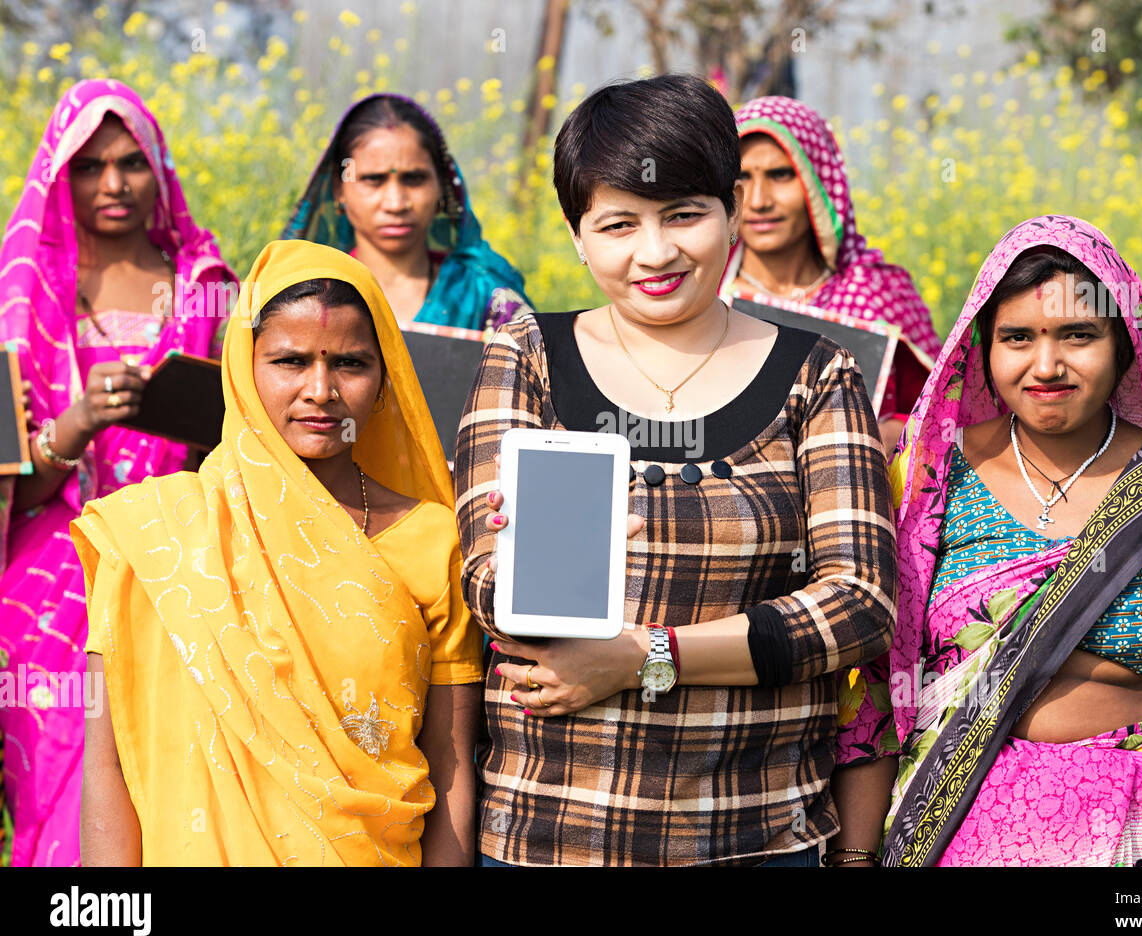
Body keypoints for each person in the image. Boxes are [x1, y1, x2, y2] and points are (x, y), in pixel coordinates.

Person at [455, 74, 897, 866]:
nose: (655, 253)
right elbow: (486, 588)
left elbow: (858, 604)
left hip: (755, 837)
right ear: (577, 235)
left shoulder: (816, 374)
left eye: (685, 216)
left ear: (731, 213)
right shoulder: (528, 359)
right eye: (618, 224)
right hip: (551, 836)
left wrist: (646, 657)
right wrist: (543, 568)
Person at [833, 214, 1142, 866]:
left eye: (1078, 335)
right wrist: (854, 856)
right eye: (1018, 337)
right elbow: (875, 690)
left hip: (1141, 829)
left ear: (1124, 345)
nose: (1047, 365)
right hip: (954, 824)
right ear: (981, 348)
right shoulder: (930, 480)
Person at [73, 240, 482, 866]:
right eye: (290, 361)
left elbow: (452, 768)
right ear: (242, 369)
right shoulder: (153, 534)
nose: (320, 390)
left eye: (349, 363)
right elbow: (109, 766)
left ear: (383, 382)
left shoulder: (433, 537)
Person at [0, 78, 236, 867]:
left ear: (159, 168)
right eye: (90, 165)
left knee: (167, 801)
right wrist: (77, 423)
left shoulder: (210, 286)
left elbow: (246, 444)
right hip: (47, 595)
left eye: (132, 163)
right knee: (57, 808)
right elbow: (12, 482)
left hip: (181, 580)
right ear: (60, 175)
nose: (113, 183)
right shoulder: (22, 297)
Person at [725, 96, 944, 450]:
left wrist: (898, 432)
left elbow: (950, 415)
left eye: (781, 175)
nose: (759, 200)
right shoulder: (705, 300)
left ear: (819, 181)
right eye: (742, 178)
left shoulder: (878, 292)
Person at [283, 93, 531, 331]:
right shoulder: (299, 295)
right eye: (373, 179)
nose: (396, 203)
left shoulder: (486, 297)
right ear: (339, 189)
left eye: (414, 178)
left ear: (441, 187)